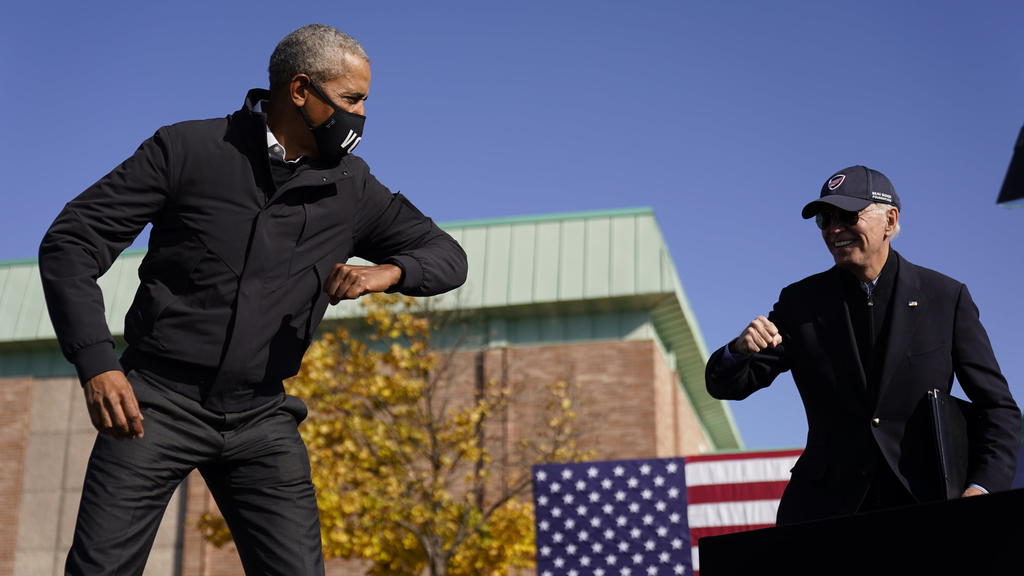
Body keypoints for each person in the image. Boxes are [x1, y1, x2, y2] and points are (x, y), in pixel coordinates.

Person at [39, 24, 467, 575]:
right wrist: (96, 362)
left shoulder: (351, 186)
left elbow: (446, 256)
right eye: (351, 99)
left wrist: (388, 272)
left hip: (262, 416)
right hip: (153, 405)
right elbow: (72, 241)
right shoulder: (188, 149)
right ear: (299, 91)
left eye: (365, 102)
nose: (361, 116)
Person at [705, 165, 1020, 525]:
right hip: (824, 511)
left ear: (890, 220)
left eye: (849, 215)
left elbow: (999, 409)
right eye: (825, 218)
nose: (835, 229)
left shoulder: (946, 298)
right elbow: (728, 385)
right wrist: (738, 351)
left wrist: (981, 488)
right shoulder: (800, 303)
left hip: (925, 506)